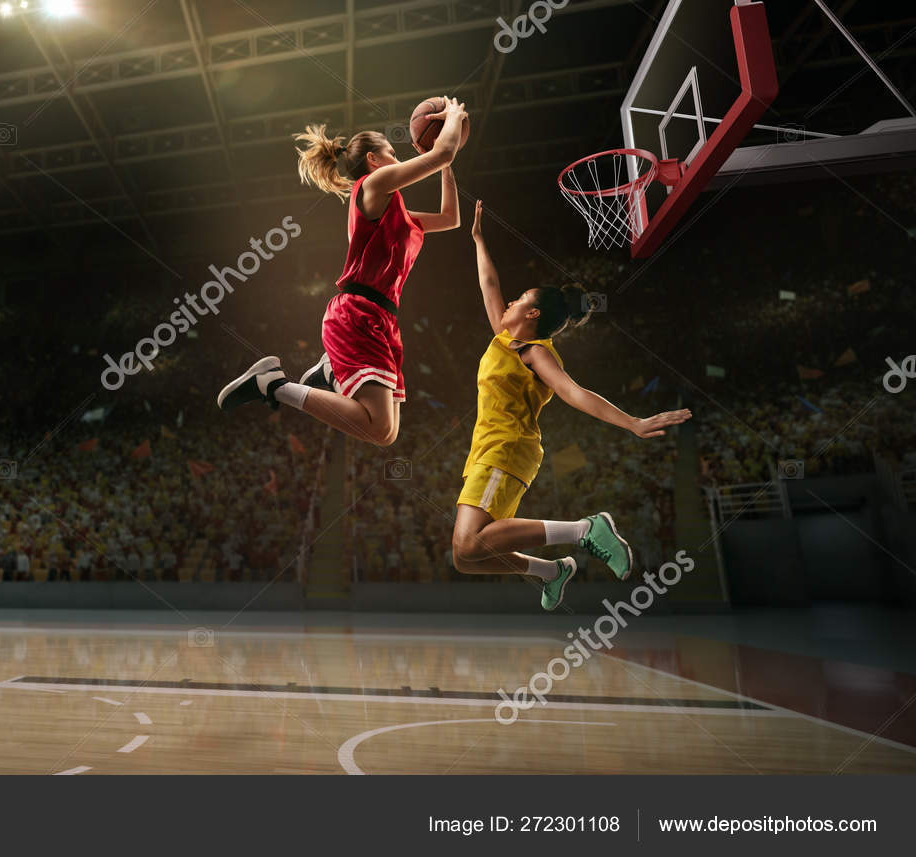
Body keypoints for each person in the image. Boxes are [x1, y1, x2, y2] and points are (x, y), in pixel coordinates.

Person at [453, 201, 692, 610]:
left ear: (531, 313)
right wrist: (478, 240)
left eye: (518, 299)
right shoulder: (505, 339)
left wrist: (632, 422)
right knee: (466, 557)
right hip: (486, 451)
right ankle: (553, 571)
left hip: (506, 448)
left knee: (470, 541)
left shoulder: (534, 350)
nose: (507, 301)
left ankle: (587, 529)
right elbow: (489, 284)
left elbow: (572, 391)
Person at [218, 98, 470, 450]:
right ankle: (272, 384)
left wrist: (447, 157)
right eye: (393, 154)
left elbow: (449, 218)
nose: (398, 160)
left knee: (386, 433)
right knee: (380, 429)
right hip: (358, 311)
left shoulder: (398, 211)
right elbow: (441, 155)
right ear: (373, 160)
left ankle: (329, 373)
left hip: (383, 317)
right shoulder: (372, 186)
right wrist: (453, 123)